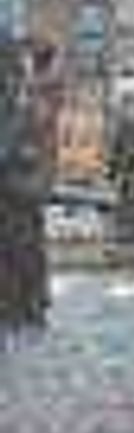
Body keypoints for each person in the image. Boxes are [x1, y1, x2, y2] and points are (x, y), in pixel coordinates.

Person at [0, 37, 54, 337]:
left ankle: (23, 309)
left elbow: (8, 144)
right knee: (24, 249)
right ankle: (25, 308)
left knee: (18, 249)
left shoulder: (18, 96)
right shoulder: (23, 93)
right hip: (20, 186)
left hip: (13, 188)